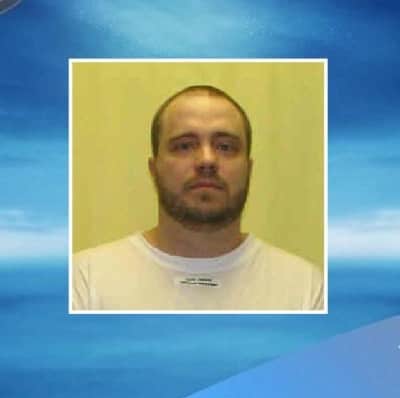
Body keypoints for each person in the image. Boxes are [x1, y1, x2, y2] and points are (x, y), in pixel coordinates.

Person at [73, 85, 323, 311]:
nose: (207, 160)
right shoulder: (84, 280)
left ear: (248, 168)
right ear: (154, 168)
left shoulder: (306, 288)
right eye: (184, 146)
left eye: (225, 146)